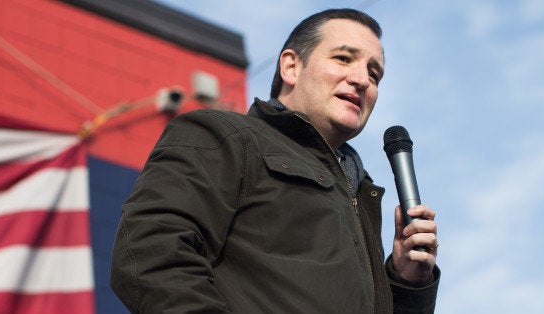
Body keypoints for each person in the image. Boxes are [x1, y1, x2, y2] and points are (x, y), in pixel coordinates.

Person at [110, 8, 440, 313]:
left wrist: (407, 281)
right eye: (343, 58)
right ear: (291, 67)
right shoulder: (225, 135)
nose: (363, 79)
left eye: (374, 73)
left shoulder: (360, 194)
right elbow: (151, 252)